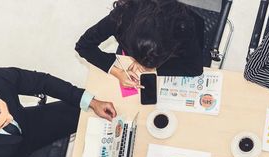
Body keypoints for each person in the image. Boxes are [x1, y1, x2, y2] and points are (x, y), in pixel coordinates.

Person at [75, 0, 206, 90]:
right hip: (132, 50)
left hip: (169, 61)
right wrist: (117, 72)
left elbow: (195, 68)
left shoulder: (182, 27)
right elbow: (83, 46)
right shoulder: (121, 17)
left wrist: (152, 68)